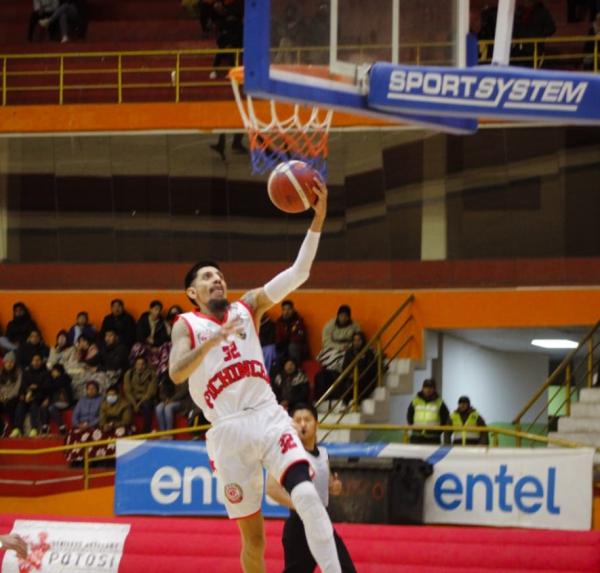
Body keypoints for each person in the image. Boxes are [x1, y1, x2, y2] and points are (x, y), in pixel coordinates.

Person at [169, 178, 343, 573]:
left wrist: (317, 220)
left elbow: (299, 272)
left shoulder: (248, 307)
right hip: (228, 433)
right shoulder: (186, 325)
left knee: (308, 495)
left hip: (267, 415)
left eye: (219, 275)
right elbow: (177, 373)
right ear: (192, 293)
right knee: (254, 541)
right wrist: (211, 343)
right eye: (207, 278)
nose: (217, 280)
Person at [266, 403, 356, 573]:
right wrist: (302, 505)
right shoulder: (286, 453)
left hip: (323, 521)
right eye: (297, 420)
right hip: (299, 526)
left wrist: (334, 487)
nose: (302, 424)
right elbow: (271, 489)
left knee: (346, 569)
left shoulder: (323, 454)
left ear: (316, 424)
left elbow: (326, 485)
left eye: (307, 419)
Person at [314, 306, 361, 402]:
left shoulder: (355, 327)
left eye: (345, 316)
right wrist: (339, 347)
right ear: (338, 316)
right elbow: (326, 341)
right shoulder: (329, 325)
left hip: (347, 350)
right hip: (331, 349)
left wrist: (347, 347)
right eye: (341, 316)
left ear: (349, 317)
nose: (343, 318)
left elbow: (358, 340)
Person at [12, 354, 50, 438]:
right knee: (20, 405)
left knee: (34, 406)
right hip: (26, 396)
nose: (36, 362)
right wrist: (22, 394)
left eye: (38, 360)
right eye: (34, 360)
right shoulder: (26, 373)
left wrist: (36, 389)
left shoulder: (45, 373)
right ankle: (17, 428)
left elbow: (46, 388)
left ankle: (34, 429)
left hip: (38, 397)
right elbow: (23, 386)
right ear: (31, 362)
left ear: (41, 361)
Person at [406, 379, 451, 445]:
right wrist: (414, 428)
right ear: (422, 388)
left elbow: (445, 418)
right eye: (426, 387)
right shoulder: (415, 401)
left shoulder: (440, 403)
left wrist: (438, 432)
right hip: (416, 436)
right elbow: (409, 416)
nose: (428, 390)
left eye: (430, 387)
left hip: (433, 438)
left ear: (434, 389)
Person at [339, 332, 376, 406]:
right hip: (350, 378)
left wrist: (358, 374)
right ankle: (345, 404)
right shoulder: (349, 352)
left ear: (363, 341)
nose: (356, 342)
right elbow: (345, 367)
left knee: (355, 383)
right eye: (354, 340)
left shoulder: (368, 353)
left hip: (364, 380)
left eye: (359, 340)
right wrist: (350, 374)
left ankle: (355, 404)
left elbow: (371, 370)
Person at [123, 356, 158, 434]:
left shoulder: (151, 374)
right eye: (138, 364)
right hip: (133, 398)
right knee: (125, 406)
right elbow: (127, 391)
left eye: (142, 364)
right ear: (135, 365)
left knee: (147, 405)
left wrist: (139, 404)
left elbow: (151, 392)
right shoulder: (129, 374)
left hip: (145, 398)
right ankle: (128, 430)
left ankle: (146, 430)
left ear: (146, 365)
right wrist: (134, 404)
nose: (140, 366)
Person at [41, 363, 73, 435]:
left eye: (53, 371)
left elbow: (53, 388)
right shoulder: (52, 380)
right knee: (43, 407)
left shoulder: (64, 379)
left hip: (64, 401)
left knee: (51, 408)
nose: (52, 373)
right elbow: (47, 389)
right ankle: (45, 426)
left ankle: (61, 426)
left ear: (58, 371)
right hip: (54, 401)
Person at [275, 300, 308, 367]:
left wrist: (287, 340)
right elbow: (278, 336)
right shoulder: (279, 322)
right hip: (283, 345)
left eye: (289, 309)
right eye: (284, 310)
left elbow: (300, 337)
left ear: (293, 310)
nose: (286, 312)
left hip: (297, 346)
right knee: (274, 348)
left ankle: (296, 368)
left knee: (292, 347)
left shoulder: (298, 321)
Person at [0, 352, 22, 437]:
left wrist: (7, 397)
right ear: (4, 363)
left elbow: (17, 388)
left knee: (12, 405)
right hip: (2, 397)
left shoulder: (18, 372)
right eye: (7, 362)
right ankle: (2, 426)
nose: (9, 364)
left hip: (12, 397)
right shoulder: (1, 372)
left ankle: (15, 430)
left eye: (11, 362)